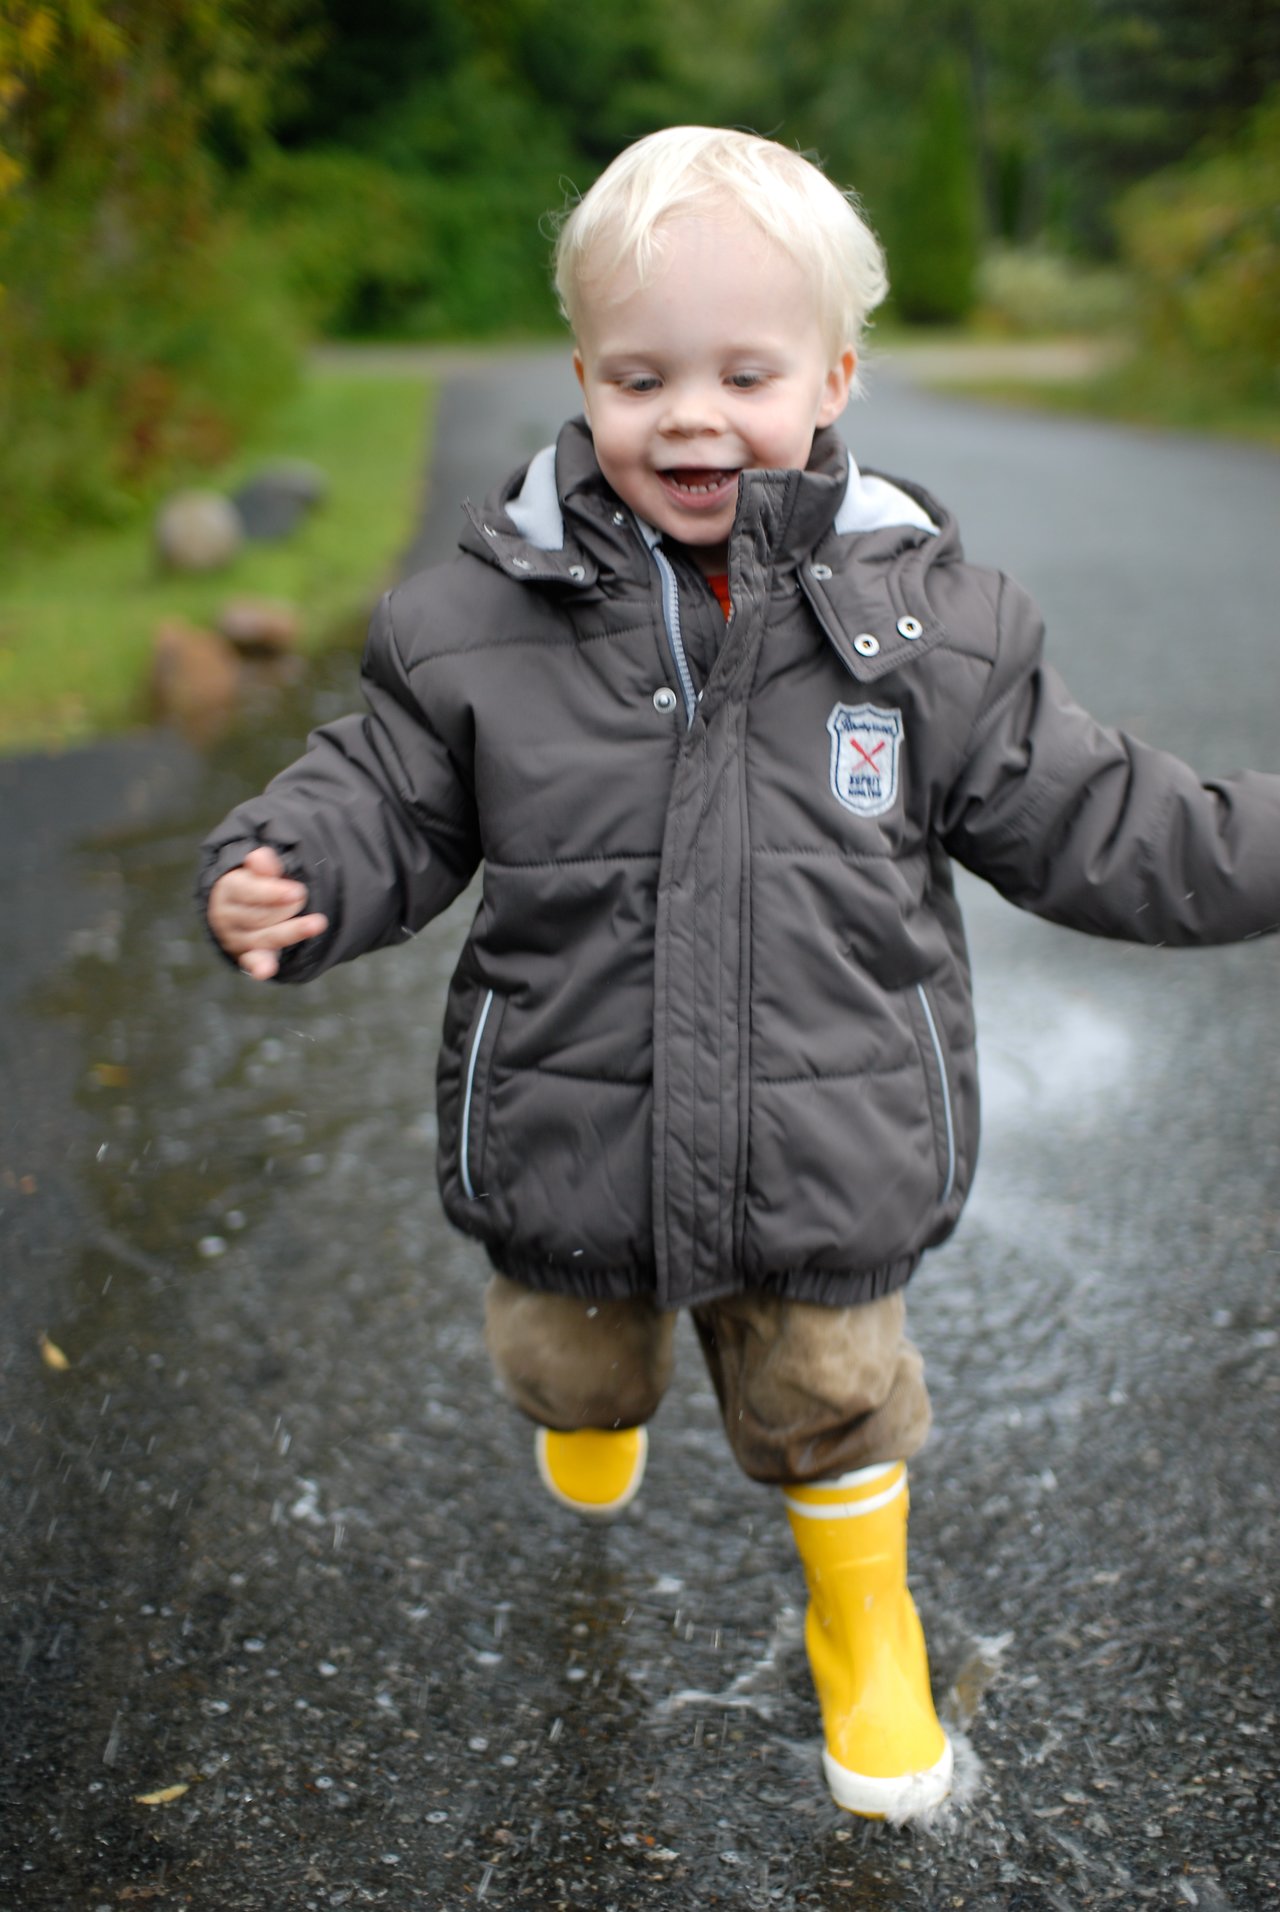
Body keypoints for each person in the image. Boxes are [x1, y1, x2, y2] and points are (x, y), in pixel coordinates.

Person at [198, 126, 1280, 1822]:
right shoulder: (475, 626)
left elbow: (1112, 821)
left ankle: (867, 1633)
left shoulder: (930, 631)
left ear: (837, 375)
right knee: (572, 1364)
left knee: (836, 1397)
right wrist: (294, 868)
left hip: (824, 1142)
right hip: (575, 1122)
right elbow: (385, 790)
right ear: (583, 375)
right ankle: (594, 1410)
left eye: (744, 373)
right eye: (641, 378)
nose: (690, 417)